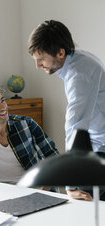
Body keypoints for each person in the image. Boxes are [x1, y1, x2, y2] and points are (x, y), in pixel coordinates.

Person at [28, 20, 105, 201]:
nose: (38, 66)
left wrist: (70, 184)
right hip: (97, 142)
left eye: (41, 59)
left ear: (60, 53)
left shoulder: (79, 75)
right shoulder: (78, 60)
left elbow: (75, 127)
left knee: (83, 199)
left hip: (101, 145)